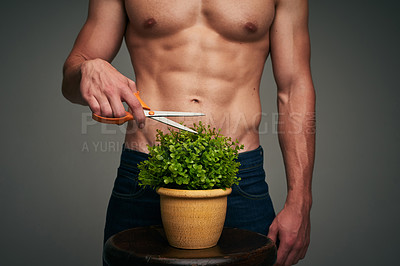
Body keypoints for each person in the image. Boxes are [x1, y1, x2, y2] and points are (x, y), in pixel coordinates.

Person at [62, 0, 315, 265]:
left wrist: (300, 202)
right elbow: (70, 83)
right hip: (145, 172)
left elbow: (294, 87)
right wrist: (86, 69)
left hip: (238, 176)